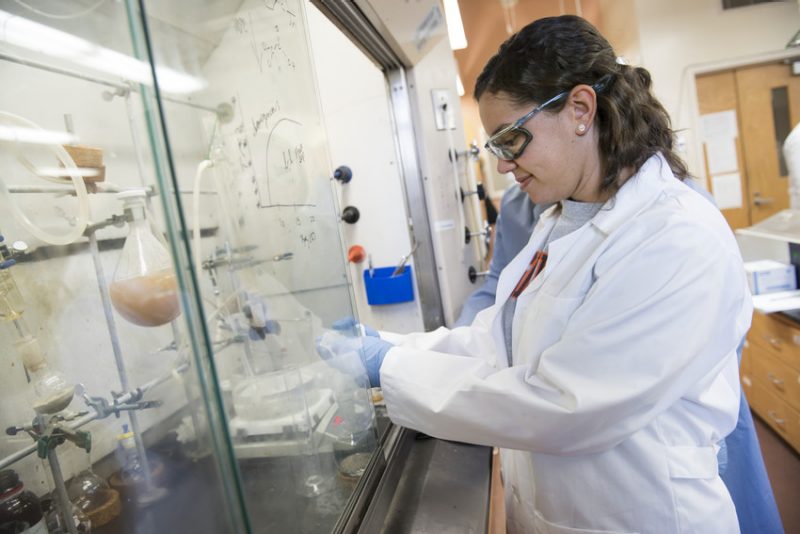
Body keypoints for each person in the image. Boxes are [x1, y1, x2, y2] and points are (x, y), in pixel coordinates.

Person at [320, 15, 753, 533]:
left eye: (510, 139)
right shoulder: (559, 221)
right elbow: (499, 343)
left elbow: (568, 404)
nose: (502, 165)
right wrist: (389, 348)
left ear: (579, 109)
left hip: (646, 516)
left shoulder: (677, 237)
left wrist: (390, 370)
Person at [457, 186, 783, 533]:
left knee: (728, 492)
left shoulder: (675, 210)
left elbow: (718, 327)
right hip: (565, 432)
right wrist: (470, 343)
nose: (507, 163)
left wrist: (689, 394)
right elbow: (502, 289)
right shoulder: (520, 206)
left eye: (513, 138)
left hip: (673, 405)